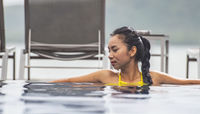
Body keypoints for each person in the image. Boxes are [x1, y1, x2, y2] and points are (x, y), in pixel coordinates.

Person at [51, 26, 200, 86]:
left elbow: (188, 83)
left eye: (114, 50)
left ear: (132, 51)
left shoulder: (154, 78)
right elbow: (69, 81)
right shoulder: (106, 77)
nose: (109, 56)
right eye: (109, 51)